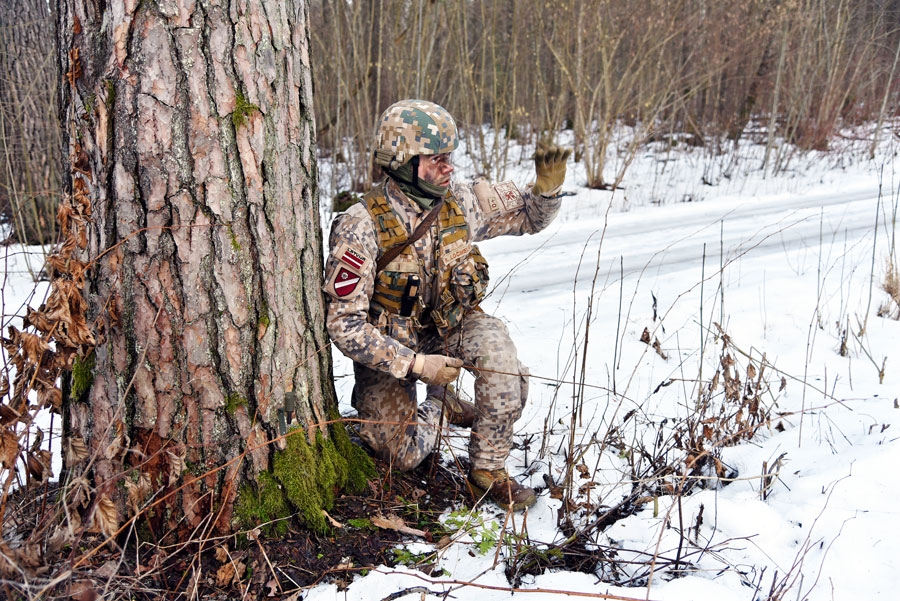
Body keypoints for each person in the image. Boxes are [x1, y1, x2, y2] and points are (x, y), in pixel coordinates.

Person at [323, 99, 570, 511]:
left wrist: (548, 190)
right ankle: (443, 403)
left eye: (449, 157)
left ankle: (487, 472)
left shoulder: (459, 200)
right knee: (400, 455)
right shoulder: (360, 225)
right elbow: (344, 325)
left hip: (452, 325)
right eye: (436, 159)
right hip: (393, 346)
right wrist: (421, 368)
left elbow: (529, 216)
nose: (448, 167)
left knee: (505, 369)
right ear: (402, 162)